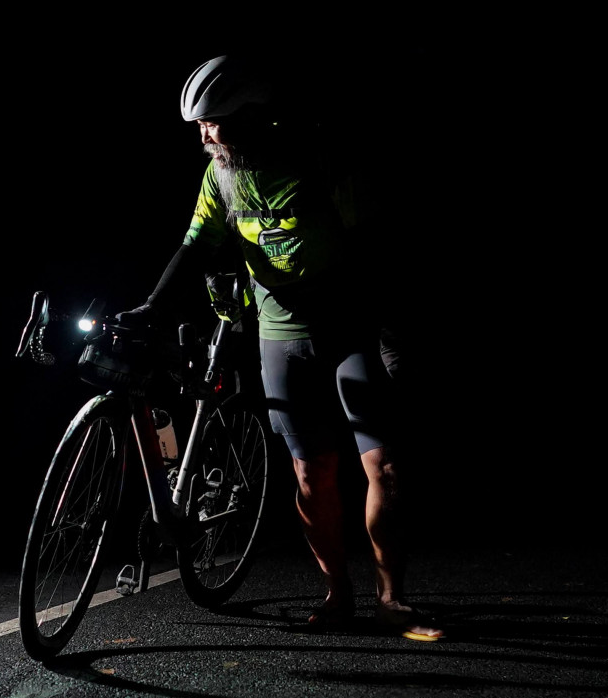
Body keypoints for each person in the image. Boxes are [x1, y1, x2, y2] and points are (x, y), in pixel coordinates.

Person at [118, 53, 444, 642]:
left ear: (252, 115)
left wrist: (391, 335)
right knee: (311, 472)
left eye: (215, 123)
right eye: (200, 126)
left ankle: (392, 599)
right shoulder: (219, 176)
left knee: (385, 467)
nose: (206, 136)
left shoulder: (321, 157)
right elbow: (196, 245)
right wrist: (152, 307)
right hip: (281, 334)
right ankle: (337, 595)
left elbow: (376, 246)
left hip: (351, 329)